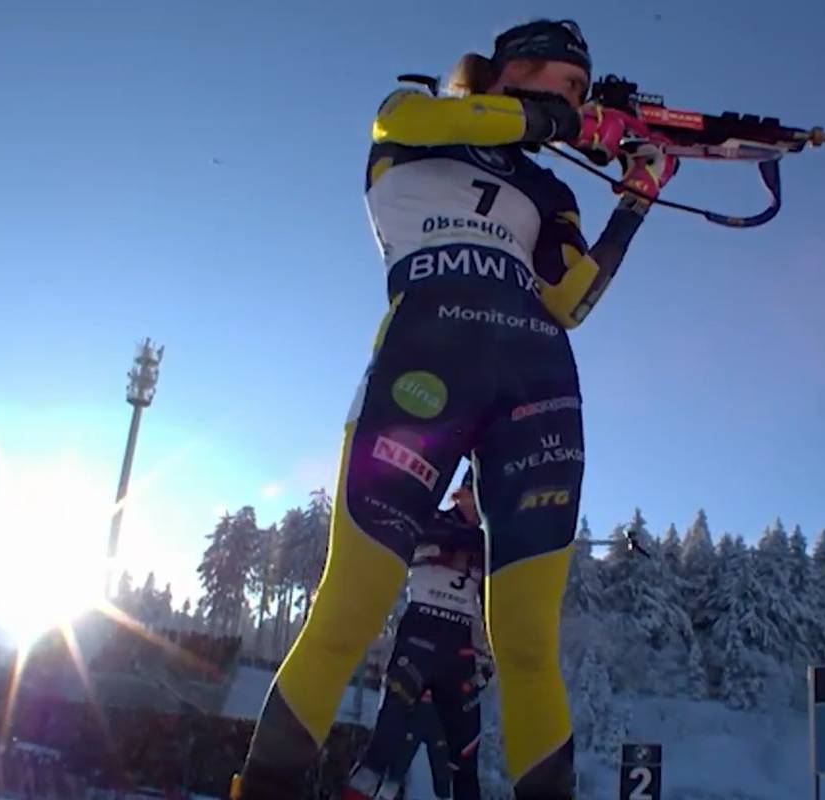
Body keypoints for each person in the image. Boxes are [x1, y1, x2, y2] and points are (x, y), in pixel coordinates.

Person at [234, 17, 678, 799]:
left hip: (537, 377)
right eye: (566, 81)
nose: (576, 99)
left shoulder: (550, 189)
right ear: (514, 69)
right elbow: (413, 122)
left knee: (528, 642)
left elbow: (569, 302)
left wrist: (637, 200)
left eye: (582, 90)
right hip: (425, 359)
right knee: (350, 608)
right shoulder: (414, 118)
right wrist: (564, 122)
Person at [343, 473, 492, 800]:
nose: (483, 505)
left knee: (465, 766)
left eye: (488, 497)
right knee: (380, 752)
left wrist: (489, 656)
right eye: (478, 495)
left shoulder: (487, 541)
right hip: (418, 641)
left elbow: (493, 607)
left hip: (459, 653)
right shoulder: (428, 518)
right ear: (461, 494)